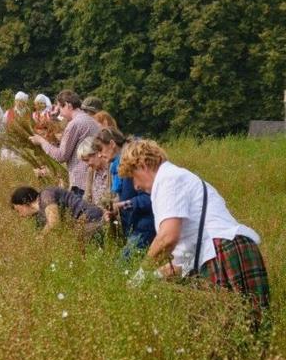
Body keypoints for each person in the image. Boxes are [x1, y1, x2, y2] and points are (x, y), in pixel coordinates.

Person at [118, 140, 269, 323]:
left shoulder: (169, 179)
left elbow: (167, 238)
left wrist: (141, 275)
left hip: (223, 253)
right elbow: (184, 257)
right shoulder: (179, 178)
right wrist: (154, 276)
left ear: (142, 165)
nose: (136, 186)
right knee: (248, 329)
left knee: (228, 331)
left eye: (133, 177)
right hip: (230, 251)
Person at [93, 128, 155, 254]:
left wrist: (121, 205)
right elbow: (125, 196)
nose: (99, 155)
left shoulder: (132, 164)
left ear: (112, 144)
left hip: (145, 225)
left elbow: (149, 198)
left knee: (123, 265)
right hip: (133, 226)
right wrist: (114, 209)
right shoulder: (116, 167)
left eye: (101, 150)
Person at [29, 90, 100, 196]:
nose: (60, 113)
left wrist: (41, 141)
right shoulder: (91, 121)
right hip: (92, 180)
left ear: (68, 105)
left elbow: (61, 156)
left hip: (80, 183)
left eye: (60, 108)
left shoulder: (74, 124)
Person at [10, 185, 105, 238]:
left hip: (91, 219)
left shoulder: (46, 195)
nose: (20, 215)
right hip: (82, 225)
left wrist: (41, 236)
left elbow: (54, 222)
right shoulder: (40, 215)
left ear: (24, 202)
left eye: (18, 210)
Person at [76, 137, 109, 205]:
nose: (87, 164)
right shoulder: (92, 172)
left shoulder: (112, 169)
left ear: (98, 153)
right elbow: (87, 197)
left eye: (87, 160)